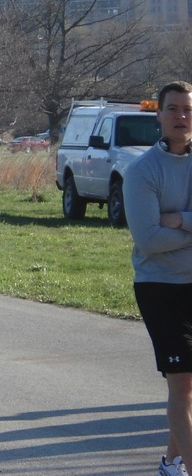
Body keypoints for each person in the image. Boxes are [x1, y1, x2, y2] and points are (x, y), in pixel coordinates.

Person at [123, 80, 192, 476]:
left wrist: (179, 220)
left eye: (187, 109)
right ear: (159, 115)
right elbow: (148, 239)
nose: (181, 116)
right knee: (181, 384)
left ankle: (170, 462)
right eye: (173, 109)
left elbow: (164, 231)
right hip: (160, 287)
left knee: (190, 387)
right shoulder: (142, 170)